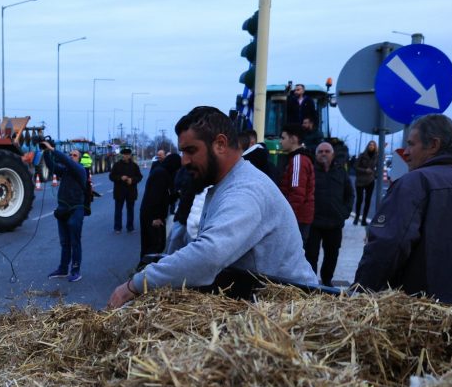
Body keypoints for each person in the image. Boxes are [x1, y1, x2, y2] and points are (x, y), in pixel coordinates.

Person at [107, 106, 316, 309]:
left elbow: (208, 256)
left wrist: (135, 284)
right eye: (182, 152)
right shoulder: (226, 184)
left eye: (191, 151)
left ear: (220, 144)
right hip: (259, 307)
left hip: (288, 313)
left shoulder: (246, 190)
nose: (184, 161)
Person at [354, 113, 452, 311]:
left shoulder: (414, 183)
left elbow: (387, 245)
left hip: (425, 315)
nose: (406, 152)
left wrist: (361, 294)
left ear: (434, 145)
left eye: (411, 144)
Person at [305, 142, 354, 286]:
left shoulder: (341, 171)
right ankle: (311, 283)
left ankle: (326, 282)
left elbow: (350, 194)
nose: (324, 154)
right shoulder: (311, 171)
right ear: (316, 155)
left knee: (332, 255)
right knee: (311, 255)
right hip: (314, 223)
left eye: (327, 151)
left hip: (334, 223)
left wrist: (344, 213)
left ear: (333, 154)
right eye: (320, 151)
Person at [43, 138, 88, 282]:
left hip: (76, 209)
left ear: (79, 159)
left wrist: (53, 149)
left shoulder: (80, 170)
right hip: (63, 209)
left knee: (75, 242)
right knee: (64, 242)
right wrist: (46, 152)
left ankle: (75, 270)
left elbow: (67, 161)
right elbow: (52, 166)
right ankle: (63, 269)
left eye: (75, 155)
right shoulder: (65, 171)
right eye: (70, 154)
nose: (71, 156)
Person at [138, 151, 181, 268]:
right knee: (155, 246)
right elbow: (155, 197)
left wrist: (177, 194)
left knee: (153, 245)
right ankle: (142, 271)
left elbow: (164, 197)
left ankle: (143, 270)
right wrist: (156, 217)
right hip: (152, 216)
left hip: (151, 214)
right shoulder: (161, 174)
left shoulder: (163, 172)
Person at [278, 123, 315, 239]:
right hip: (300, 218)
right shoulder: (300, 158)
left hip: (297, 219)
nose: (280, 142)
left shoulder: (298, 160)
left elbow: (297, 194)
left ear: (293, 139)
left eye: (283, 138)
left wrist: (287, 218)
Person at [109, 146, 142, 233]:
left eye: (127, 154)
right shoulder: (117, 165)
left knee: (130, 210)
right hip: (119, 191)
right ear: (122, 155)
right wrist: (120, 178)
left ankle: (130, 227)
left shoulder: (134, 166)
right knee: (118, 210)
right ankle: (117, 227)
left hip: (131, 191)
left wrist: (132, 180)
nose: (125, 156)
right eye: (124, 154)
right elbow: (111, 176)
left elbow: (139, 177)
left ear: (130, 155)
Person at [353, 140, 378, 225]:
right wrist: (365, 170)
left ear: (375, 147)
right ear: (368, 146)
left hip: (370, 180)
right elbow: (355, 166)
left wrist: (374, 174)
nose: (371, 146)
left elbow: (379, 167)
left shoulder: (376, 156)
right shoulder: (362, 155)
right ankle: (356, 218)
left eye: (373, 145)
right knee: (359, 200)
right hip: (360, 180)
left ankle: (364, 219)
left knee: (368, 200)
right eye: (370, 145)